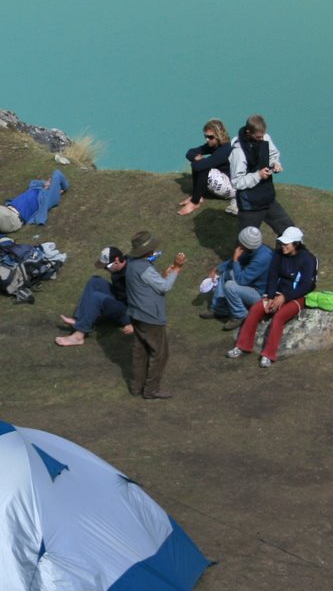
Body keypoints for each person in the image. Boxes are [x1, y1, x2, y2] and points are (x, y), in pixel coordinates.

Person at [228, 226, 316, 367]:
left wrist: (285, 297)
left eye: (286, 244)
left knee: (279, 317)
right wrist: (270, 296)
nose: (283, 247)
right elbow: (273, 275)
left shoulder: (308, 259)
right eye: (282, 243)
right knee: (256, 310)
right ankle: (242, 346)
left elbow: (306, 286)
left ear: (296, 244)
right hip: (277, 293)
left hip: (297, 296)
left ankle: (268, 354)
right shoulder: (279, 254)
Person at [123, 231, 186, 399]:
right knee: (160, 353)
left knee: (140, 351)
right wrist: (177, 269)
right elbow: (164, 287)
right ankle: (151, 389)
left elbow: (149, 284)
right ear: (148, 251)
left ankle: (136, 386)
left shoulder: (132, 265)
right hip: (150, 316)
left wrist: (164, 276)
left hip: (136, 314)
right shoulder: (145, 268)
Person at [227, 114, 297, 239]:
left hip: (268, 199)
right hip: (250, 206)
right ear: (249, 132)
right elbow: (237, 182)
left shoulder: (265, 138)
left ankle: (283, 257)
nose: (262, 138)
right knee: (246, 244)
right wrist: (258, 175)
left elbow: (273, 155)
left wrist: (275, 164)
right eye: (258, 136)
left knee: (291, 233)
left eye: (263, 135)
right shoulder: (238, 152)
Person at [55, 246, 133, 347]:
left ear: (117, 260)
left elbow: (145, 301)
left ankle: (78, 337)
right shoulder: (122, 265)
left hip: (130, 313)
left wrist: (134, 324)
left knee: (97, 297)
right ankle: (80, 320)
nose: (106, 270)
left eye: (106, 267)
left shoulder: (132, 275)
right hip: (121, 300)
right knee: (95, 281)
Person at [205, 226, 273, 330]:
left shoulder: (262, 258)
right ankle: (219, 308)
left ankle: (239, 315)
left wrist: (236, 260)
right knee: (227, 273)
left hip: (260, 294)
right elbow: (238, 260)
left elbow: (242, 280)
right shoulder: (252, 250)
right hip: (252, 285)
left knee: (230, 286)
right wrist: (218, 268)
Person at [179, 118, 236, 216]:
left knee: (203, 168)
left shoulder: (226, 150)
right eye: (205, 136)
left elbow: (198, 167)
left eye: (210, 137)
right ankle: (197, 195)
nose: (207, 139)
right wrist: (196, 158)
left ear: (219, 136)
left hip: (232, 187)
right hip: (222, 180)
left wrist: (199, 161)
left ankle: (194, 202)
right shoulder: (214, 145)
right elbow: (190, 152)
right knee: (201, 165)